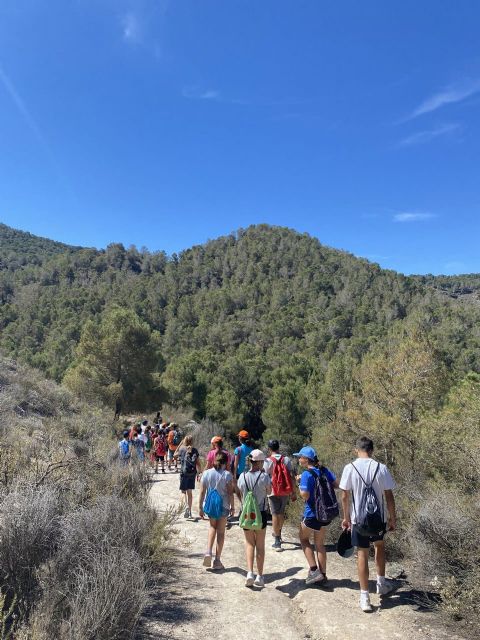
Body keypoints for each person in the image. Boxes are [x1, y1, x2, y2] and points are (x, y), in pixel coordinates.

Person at [340, 436, 397, 612]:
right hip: (377, 519)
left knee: (362, 553)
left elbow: (344, 495)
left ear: (356, 450)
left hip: (358, 520)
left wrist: (346, 518)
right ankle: (381, 583)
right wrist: (392, 517)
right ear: (372, 450)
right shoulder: (381, 468)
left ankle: (364, 596)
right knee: (379, 546)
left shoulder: (350, 468)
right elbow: (388, 496)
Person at [293, 445, 339, 586]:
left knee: (304, 539)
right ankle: (323, 576)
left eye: (300, 457)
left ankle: (314, 571)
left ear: (306, 460)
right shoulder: (324, 471)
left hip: (312, 514)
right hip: (325, 513)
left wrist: (300, 483)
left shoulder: (307, 475)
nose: (299, 459)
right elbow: (336, 484)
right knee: (320, 544)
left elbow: (305, 495)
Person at [237, 449, 271, 588]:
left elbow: (240, 491)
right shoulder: (264, 477)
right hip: (261, 514)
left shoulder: (242, 476)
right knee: (260, 545)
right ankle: (260, 576)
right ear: (260, 462)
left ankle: (250, 573)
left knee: (249, 543)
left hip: (246, 514)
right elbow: (269, 492)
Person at [198, 451, 234, 570]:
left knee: (212, 527)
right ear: (225, 462)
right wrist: (232, 507)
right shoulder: (227, 475)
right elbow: (230, 493)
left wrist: (200, 507)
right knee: (221, 532)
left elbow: (202, 492)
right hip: (223, 506)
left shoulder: (206, 473)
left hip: (211, 505)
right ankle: (217, 560)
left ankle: (208, 551)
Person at [264, 439, 296, 551]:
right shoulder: (286, 459)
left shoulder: (267, 461)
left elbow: (264, 476)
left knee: (274, 513)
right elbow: (292, 476)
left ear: (269, 449)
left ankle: (277, 541)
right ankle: (279, 532)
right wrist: (293, 491)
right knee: (281, 512)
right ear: (278, 447)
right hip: (285, 490)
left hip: (272, 490)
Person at [175, 435, 201, 518]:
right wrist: (199, 473)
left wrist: (180, 444)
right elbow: (198, 463)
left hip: (184, 473)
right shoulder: (195, 450)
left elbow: (174, 455)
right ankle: (189, 511)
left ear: (184, 441)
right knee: (190, 493)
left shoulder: (182, 449)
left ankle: (186, 506)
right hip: (192, 473)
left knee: (183, 491)